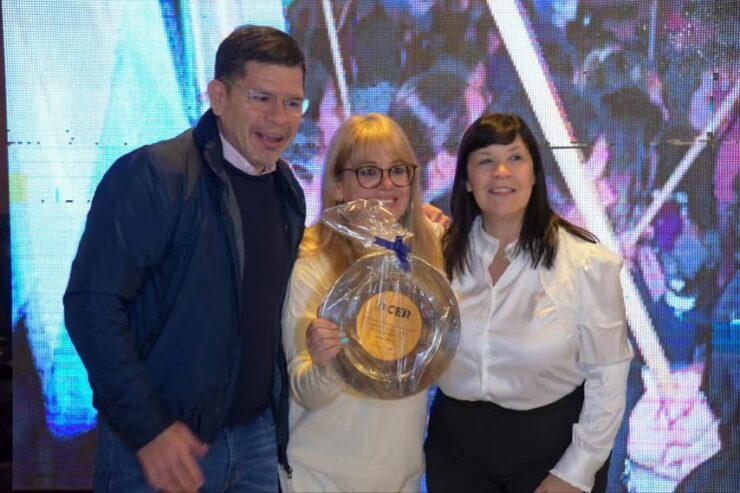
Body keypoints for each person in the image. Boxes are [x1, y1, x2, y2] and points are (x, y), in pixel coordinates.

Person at [63, 25, 307, 493]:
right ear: (218, 96)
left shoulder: (286, 190)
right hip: (163, 446)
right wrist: (149, 428)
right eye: (261, 98)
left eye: (293, 103)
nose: (279, 118)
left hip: (255, 444)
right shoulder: (153, 175)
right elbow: (91, 305)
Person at [425, 113, 634, 493]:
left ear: (535, 174)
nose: (501, 172)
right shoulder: (437, 255)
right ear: (467, 180)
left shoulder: (585, 264)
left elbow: (609, 377)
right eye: (485, 161)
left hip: (550, 453)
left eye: (515, 158)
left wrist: (576, 471)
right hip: (453, 451)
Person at [279, 113, 443, 492]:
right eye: (369, 172)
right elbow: (304, 390)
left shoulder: (428, 255)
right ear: (338, 186)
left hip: (400, 479)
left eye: (398, 170)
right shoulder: (311, 263)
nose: (387, 185)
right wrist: (326, 364)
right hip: (320, 481)